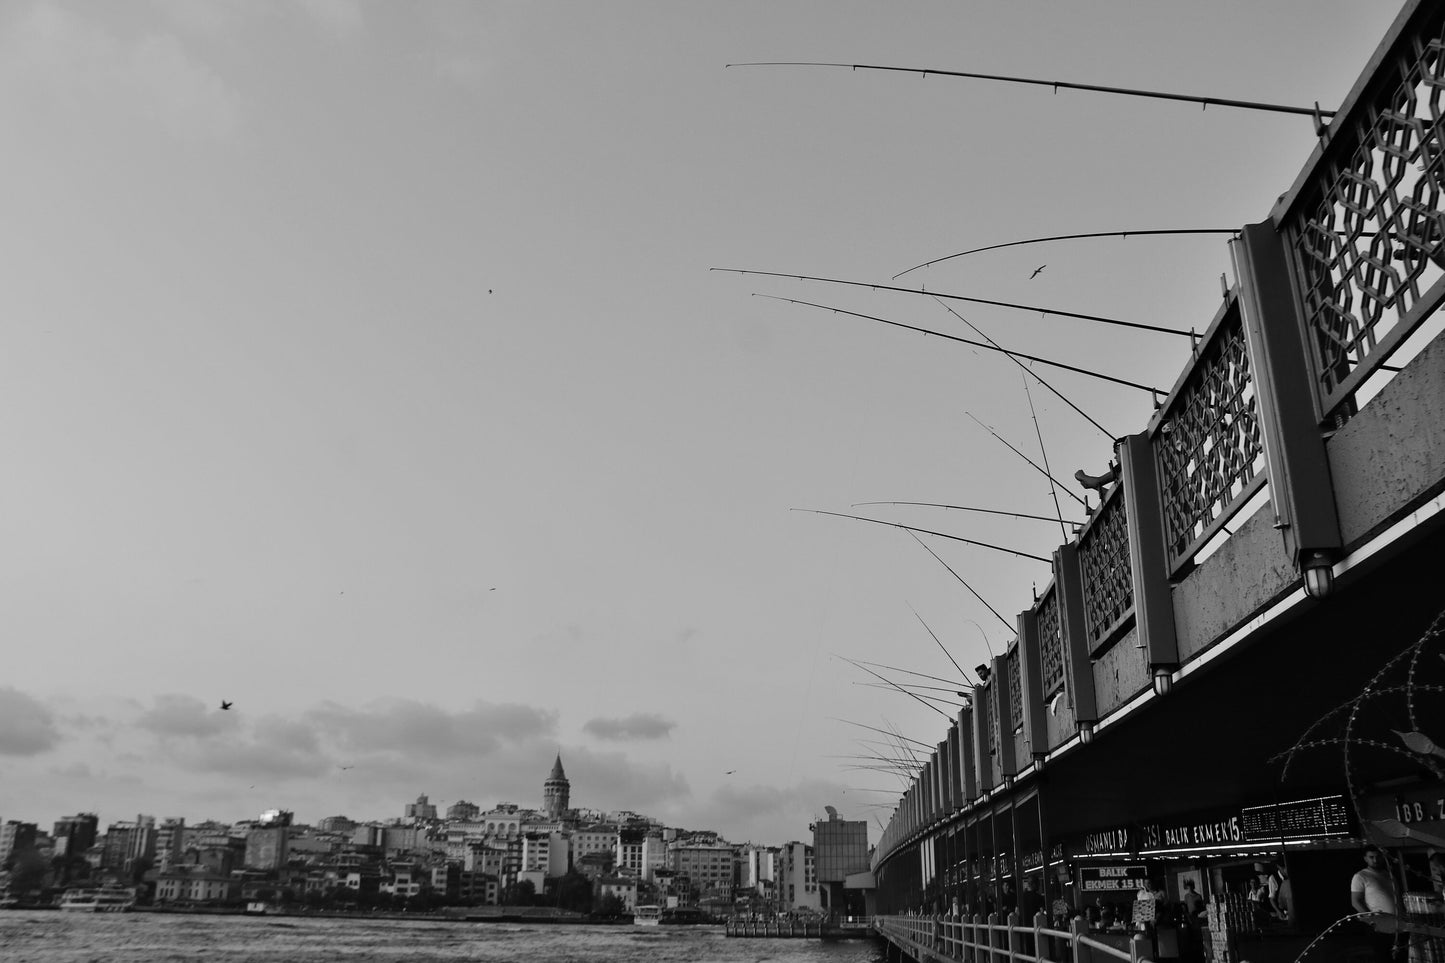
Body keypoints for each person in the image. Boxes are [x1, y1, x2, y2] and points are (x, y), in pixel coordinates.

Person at [1350, 844, 1398, 962]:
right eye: (1371, 857)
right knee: (1383, 957)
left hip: (1397, 923)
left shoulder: (1389, 875)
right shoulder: (1361, 876)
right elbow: (1355, 901)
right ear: (1365, 858)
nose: (1375, 860)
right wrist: (1373, 921)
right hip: (1379, 925)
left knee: (1399, 956)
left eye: (1378, 857)